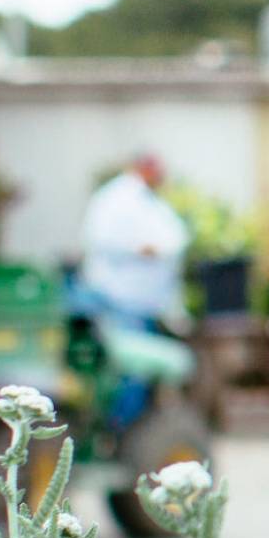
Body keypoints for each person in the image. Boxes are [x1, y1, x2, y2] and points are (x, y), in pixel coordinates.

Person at [74, 152, 190, 428]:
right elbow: (104, 240)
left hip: (141, 303)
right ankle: (116, 431)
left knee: (142, 373)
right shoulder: (118, 198)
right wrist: (145, 249)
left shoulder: (142, 198)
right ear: (146, 169)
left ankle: (128, 432)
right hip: (121, 301)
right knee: (129, 373)